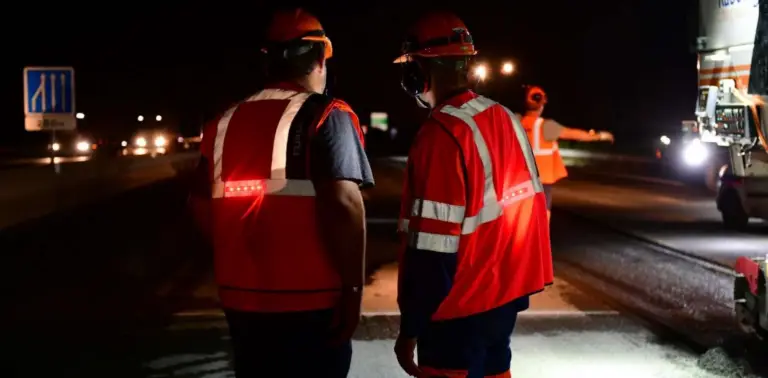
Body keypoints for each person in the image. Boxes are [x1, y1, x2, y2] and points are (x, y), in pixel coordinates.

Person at [188, 8, 373, 378]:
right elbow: (345, 204)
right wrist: (352, 292)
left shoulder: (223, 123)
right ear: (321, 58)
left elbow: (199, 206)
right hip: (313, 303)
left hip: (241, 301)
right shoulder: (329, 115)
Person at [392, 12, 553, 378]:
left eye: (410, 67)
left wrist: (411, 328)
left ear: (421, 71)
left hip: (456, 310)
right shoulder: (504, 118)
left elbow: (433, 251)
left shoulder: (441, 135)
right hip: (503, 301)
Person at [519, 85, 614, 221]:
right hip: (541, 181)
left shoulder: (515, 123)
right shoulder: (546, 126)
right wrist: (599, 136)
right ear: (542, 104)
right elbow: (574, 134)